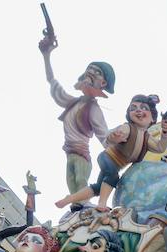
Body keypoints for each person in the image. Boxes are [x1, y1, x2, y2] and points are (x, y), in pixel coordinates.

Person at [55, 94, 167, 211]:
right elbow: (111, 137)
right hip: (108, 158)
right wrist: (114, 137)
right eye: (133, 108)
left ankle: (69, 199)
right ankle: (102, 204)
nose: (138, 111)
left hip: (115, 164)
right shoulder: (128, 128)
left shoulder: (147, 138)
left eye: (144, 108)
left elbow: (160, 147)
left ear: (152, 118)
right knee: (112, 177)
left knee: (98, 188)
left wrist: (165, 132)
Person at [39, 34, 113, 196]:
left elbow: (105, 137)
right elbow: (52, 80)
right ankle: (78, 208)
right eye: (90, 69)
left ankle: (84, 206)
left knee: (80, 180)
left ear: (103, 83)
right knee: (72, 186)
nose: (91, 73)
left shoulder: (93, 109)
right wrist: (46, 55)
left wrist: (119, 153)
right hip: (69, 153)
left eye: (97, 72)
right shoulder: (72, 102)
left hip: (82, 155)